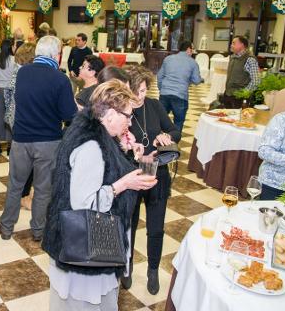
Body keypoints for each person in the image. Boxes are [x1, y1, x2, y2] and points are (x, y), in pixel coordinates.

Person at [42, 80, 158, 310]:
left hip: (86, 243)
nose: (130, 121)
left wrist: (125, 153)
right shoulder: (91, 146)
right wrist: (123, 184)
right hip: (86, 249)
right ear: (112, 114)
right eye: (128, 115)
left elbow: (103, 170)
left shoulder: (93, 132)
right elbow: (85, 203)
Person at [0, 36, 77, 241]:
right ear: (56, 55)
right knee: (43, 190)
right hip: (48, 141)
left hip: (20, 139)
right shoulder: (60, 79)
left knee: (15, 185)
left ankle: (6, 227)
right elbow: (69, 115)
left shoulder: (23, 72)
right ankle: (38, 230)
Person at [124, 66, 181, 295]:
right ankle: (126, 266)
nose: (141, 96)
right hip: (131, 175)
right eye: (137, 91)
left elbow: (175, 131)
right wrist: (135, 154)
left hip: (157, 175)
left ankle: (153, 269)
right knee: (129, 224)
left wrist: (165, 136)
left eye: (144, 90)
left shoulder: (155, 106)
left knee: (156, 228)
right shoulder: (122, 111)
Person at [3, 42, 37, 209]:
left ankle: (18, 193)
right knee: (26, 161)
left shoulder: (17, 71)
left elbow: (7, 95)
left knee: (20, 160)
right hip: (25, 120)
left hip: (16, 119)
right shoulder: (27, 73)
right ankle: (21, 194)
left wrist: (10, 115)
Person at [157, 40, 203, 131]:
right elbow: (197, 80)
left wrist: (161, 88)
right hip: (180, 96)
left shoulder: (168, 58)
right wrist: (198, 79)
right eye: (192, 49)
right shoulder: (193, 62)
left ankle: (158, 141)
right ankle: (174, 142)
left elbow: (159, 76)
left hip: (164, 94)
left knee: (160, 120)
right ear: (188, 49)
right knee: (178, 122)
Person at [0, 39, 16, 155]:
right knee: (10, 117)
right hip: (10, 90)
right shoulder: (14, 60)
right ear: (10, 47)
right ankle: (10, 146)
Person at [222, 36, 260, 108]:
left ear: (241, 45)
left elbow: (256, 80)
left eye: (233, 43)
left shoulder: (250, 59)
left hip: (240, 98)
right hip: (228, 94)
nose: (231, 45)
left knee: (238, 118)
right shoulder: (233, 57)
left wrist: (244, 93)